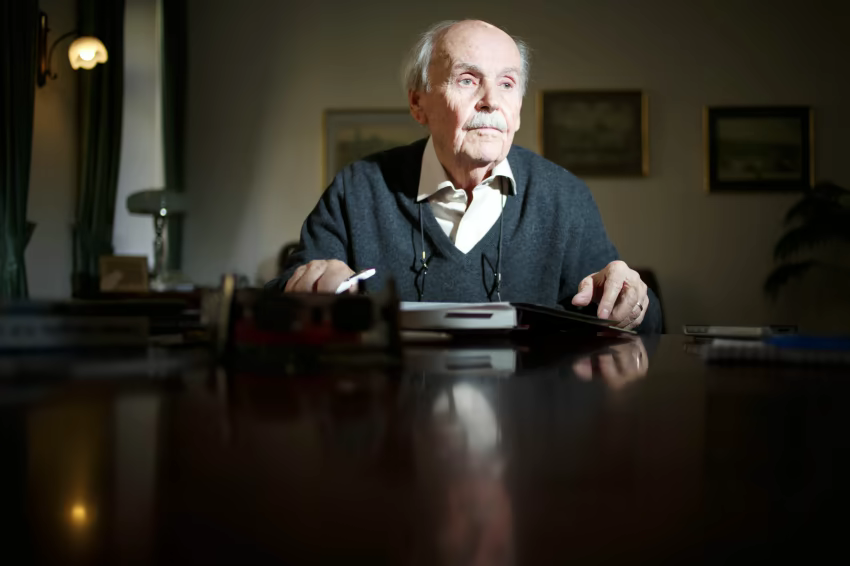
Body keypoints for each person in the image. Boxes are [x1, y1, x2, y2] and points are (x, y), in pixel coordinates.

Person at [267, 19, 662, 333]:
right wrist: (308, 286)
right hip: (395, 409)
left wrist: (633, 302)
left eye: (506, 84)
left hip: (527, 411)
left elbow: (645, 324)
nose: (491, 101)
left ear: (518, 110)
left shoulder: (563, 196)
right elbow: (271, 308)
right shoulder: (358, 189)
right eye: (468, 80)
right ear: (418, 104)